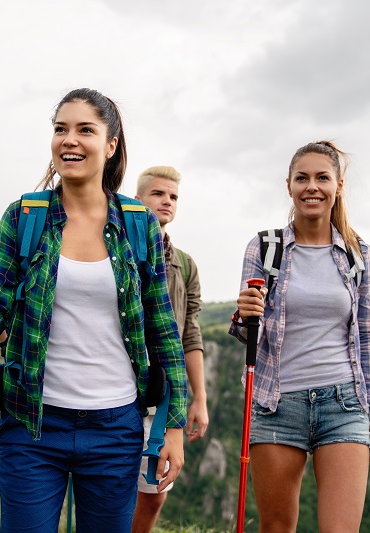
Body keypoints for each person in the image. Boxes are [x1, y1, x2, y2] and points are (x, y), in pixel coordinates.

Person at [0, 88, 187, 533]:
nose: (69, 140)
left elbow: (163, 330)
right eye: (60, 129)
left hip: (117, 427)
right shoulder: (24, 217)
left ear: (111, 145)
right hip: (32, 423)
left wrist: (172, 426)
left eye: (85, 130)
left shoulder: (138, 224)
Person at [230, 141, 370, 532]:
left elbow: (369, 334)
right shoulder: (266, 248)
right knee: (277, 527)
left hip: (344, 404)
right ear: (288, 185)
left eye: (322, 178)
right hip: (276, 404)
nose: (312, 187)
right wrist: (244, 313)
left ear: (339, 184)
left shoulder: (358, 254)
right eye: (302, 178)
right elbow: (244, 330)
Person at [131, 166, 206, 532]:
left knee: (155, 488)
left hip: (161, 389)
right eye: (158, 194)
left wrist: (199, 397)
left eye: (173, 197)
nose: (166, 201)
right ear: (137, 199)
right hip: (117, 382)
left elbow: (190, 335)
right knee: (107, 485)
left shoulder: (186, 265)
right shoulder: (116, 248)